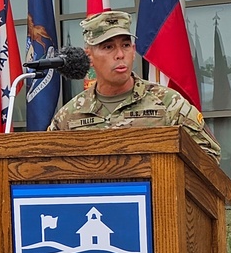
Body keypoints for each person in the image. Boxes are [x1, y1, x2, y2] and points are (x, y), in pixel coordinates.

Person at [48, 10, 221, 162]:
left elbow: (208, 159)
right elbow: (46, 166)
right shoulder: (68, 116)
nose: (120, 54)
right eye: (108, 47)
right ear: (89, 56)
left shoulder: (168, 103)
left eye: (125, 45)